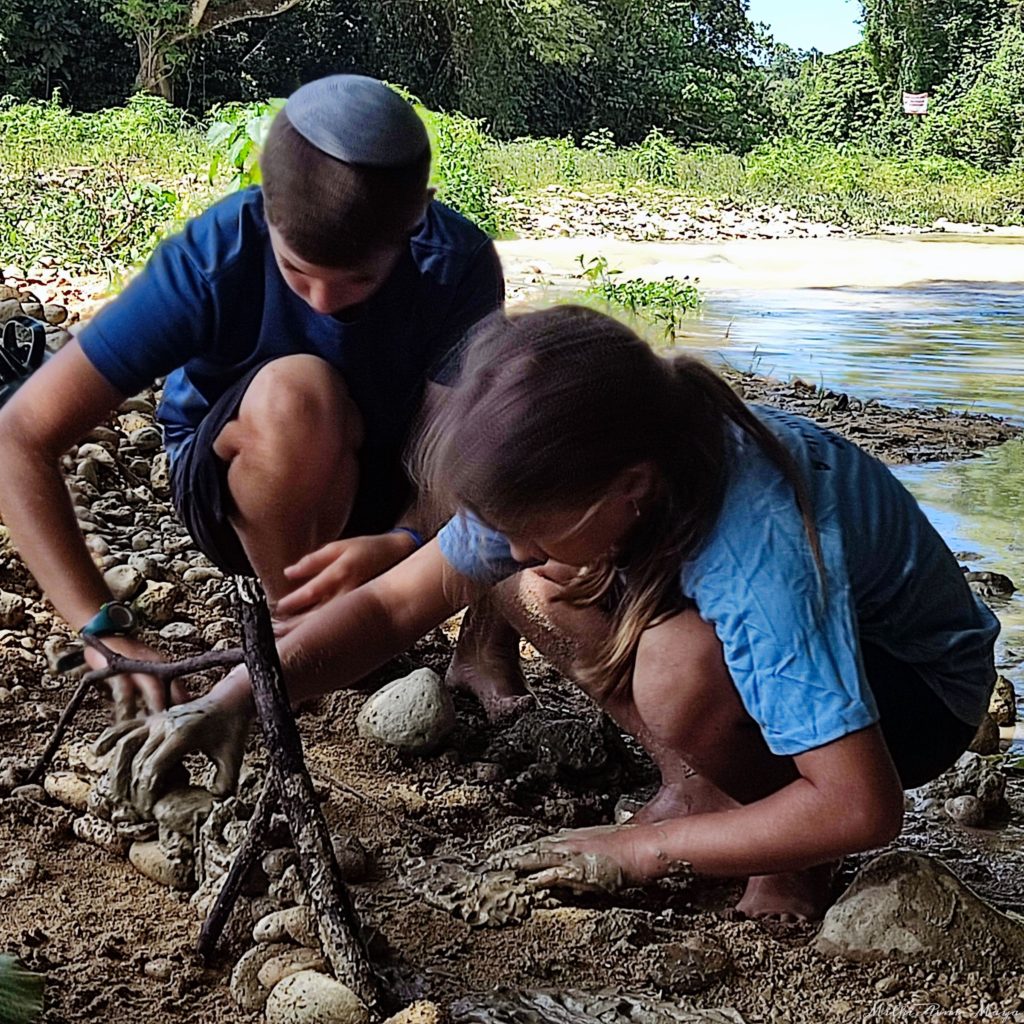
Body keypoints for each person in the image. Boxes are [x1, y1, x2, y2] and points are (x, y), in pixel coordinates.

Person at [99, 305, 998, 921]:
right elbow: (387, 608)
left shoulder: (756, 540)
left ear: (632, 488)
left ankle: (783, 851)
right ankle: (702, 788)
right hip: (783, 638)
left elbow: (866, 806)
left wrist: (641, 854)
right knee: (517, 582)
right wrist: (235, 703)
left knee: (679, 669)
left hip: (915, 696)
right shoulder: (619, 469)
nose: (517, 543)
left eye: (535, 526)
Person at [0, 74, 516, 721]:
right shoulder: (214, 257)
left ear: (419, 219)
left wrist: (409, 539)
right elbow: (19, 435)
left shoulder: (454, 261)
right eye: (297, 271)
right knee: (299, 391)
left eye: (358, 280)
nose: (323, 303)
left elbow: (458, 446)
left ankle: (483, 647)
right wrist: (98, 627)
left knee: (530, 407)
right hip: (247, 482)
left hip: (395, 483)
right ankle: (299, 618)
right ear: (266, 205)